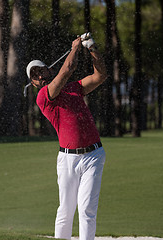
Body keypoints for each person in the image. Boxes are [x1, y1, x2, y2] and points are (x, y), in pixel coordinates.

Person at [26, 33, 107, 240]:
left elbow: (100, 76)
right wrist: (75, 48)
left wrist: (92, 48)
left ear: (49, 69)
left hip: (93, 156)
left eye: (41, 70)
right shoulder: (43, 96)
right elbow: (68, 69)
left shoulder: (75, 89)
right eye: (35, 75)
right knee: (66, 211)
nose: (40, 76)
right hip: (68, 159)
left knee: (87, 209)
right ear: (34, 83)